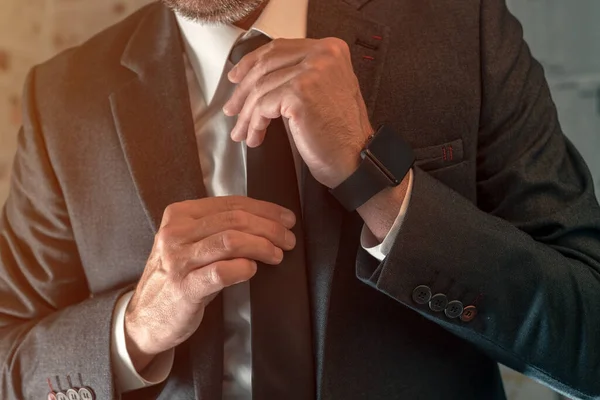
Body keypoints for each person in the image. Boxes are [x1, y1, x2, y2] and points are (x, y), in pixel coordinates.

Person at [1, 0, 599, 398]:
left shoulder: (463, 29)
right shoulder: (63, 99)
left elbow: (589, 335)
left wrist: (378, 186)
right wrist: (134, 328)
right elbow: (10, 358)